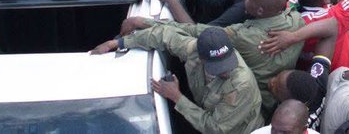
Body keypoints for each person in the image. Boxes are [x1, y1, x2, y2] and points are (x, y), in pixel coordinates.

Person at [92, 26, 264, 134]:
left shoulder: (241, 84)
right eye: (218, 66)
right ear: (202, 59)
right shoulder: (193, 49)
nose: (226, 70)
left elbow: (215, 128)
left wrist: (177, 97)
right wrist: (118, 43)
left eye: (227, 62)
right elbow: (163, 35)